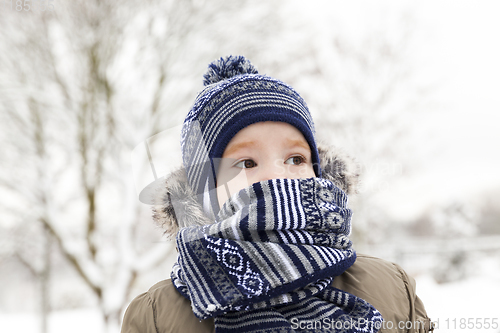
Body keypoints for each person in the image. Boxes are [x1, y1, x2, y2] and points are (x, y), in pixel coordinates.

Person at [121, 56, 433, 333]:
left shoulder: (390, 287)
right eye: (246, 163)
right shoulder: (156, 317)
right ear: (206, 194)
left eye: (295, 159)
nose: (277, 176)